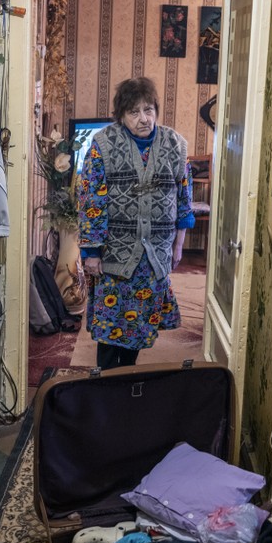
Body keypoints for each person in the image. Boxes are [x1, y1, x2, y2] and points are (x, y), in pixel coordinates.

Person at [77, 77, 195, 368]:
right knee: (110, 328)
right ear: (121, 116)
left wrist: (178, 246)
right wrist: (91, 252)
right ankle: (105, 385)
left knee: (139, 327)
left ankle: (124, 381)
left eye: (149, 109)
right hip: (114, 255)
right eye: (134, 112)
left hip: (154, 254)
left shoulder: (175, 145)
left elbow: (183, 199)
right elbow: (92, 200)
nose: (144, 118)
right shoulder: (103, 143)